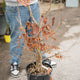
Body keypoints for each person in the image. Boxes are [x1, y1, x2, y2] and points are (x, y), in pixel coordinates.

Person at [5, 0, 56, 77]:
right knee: (18, 36)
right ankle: (15, 62)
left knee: (37, 34)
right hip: (16, 7)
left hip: (34, 4)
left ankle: (42, 59)